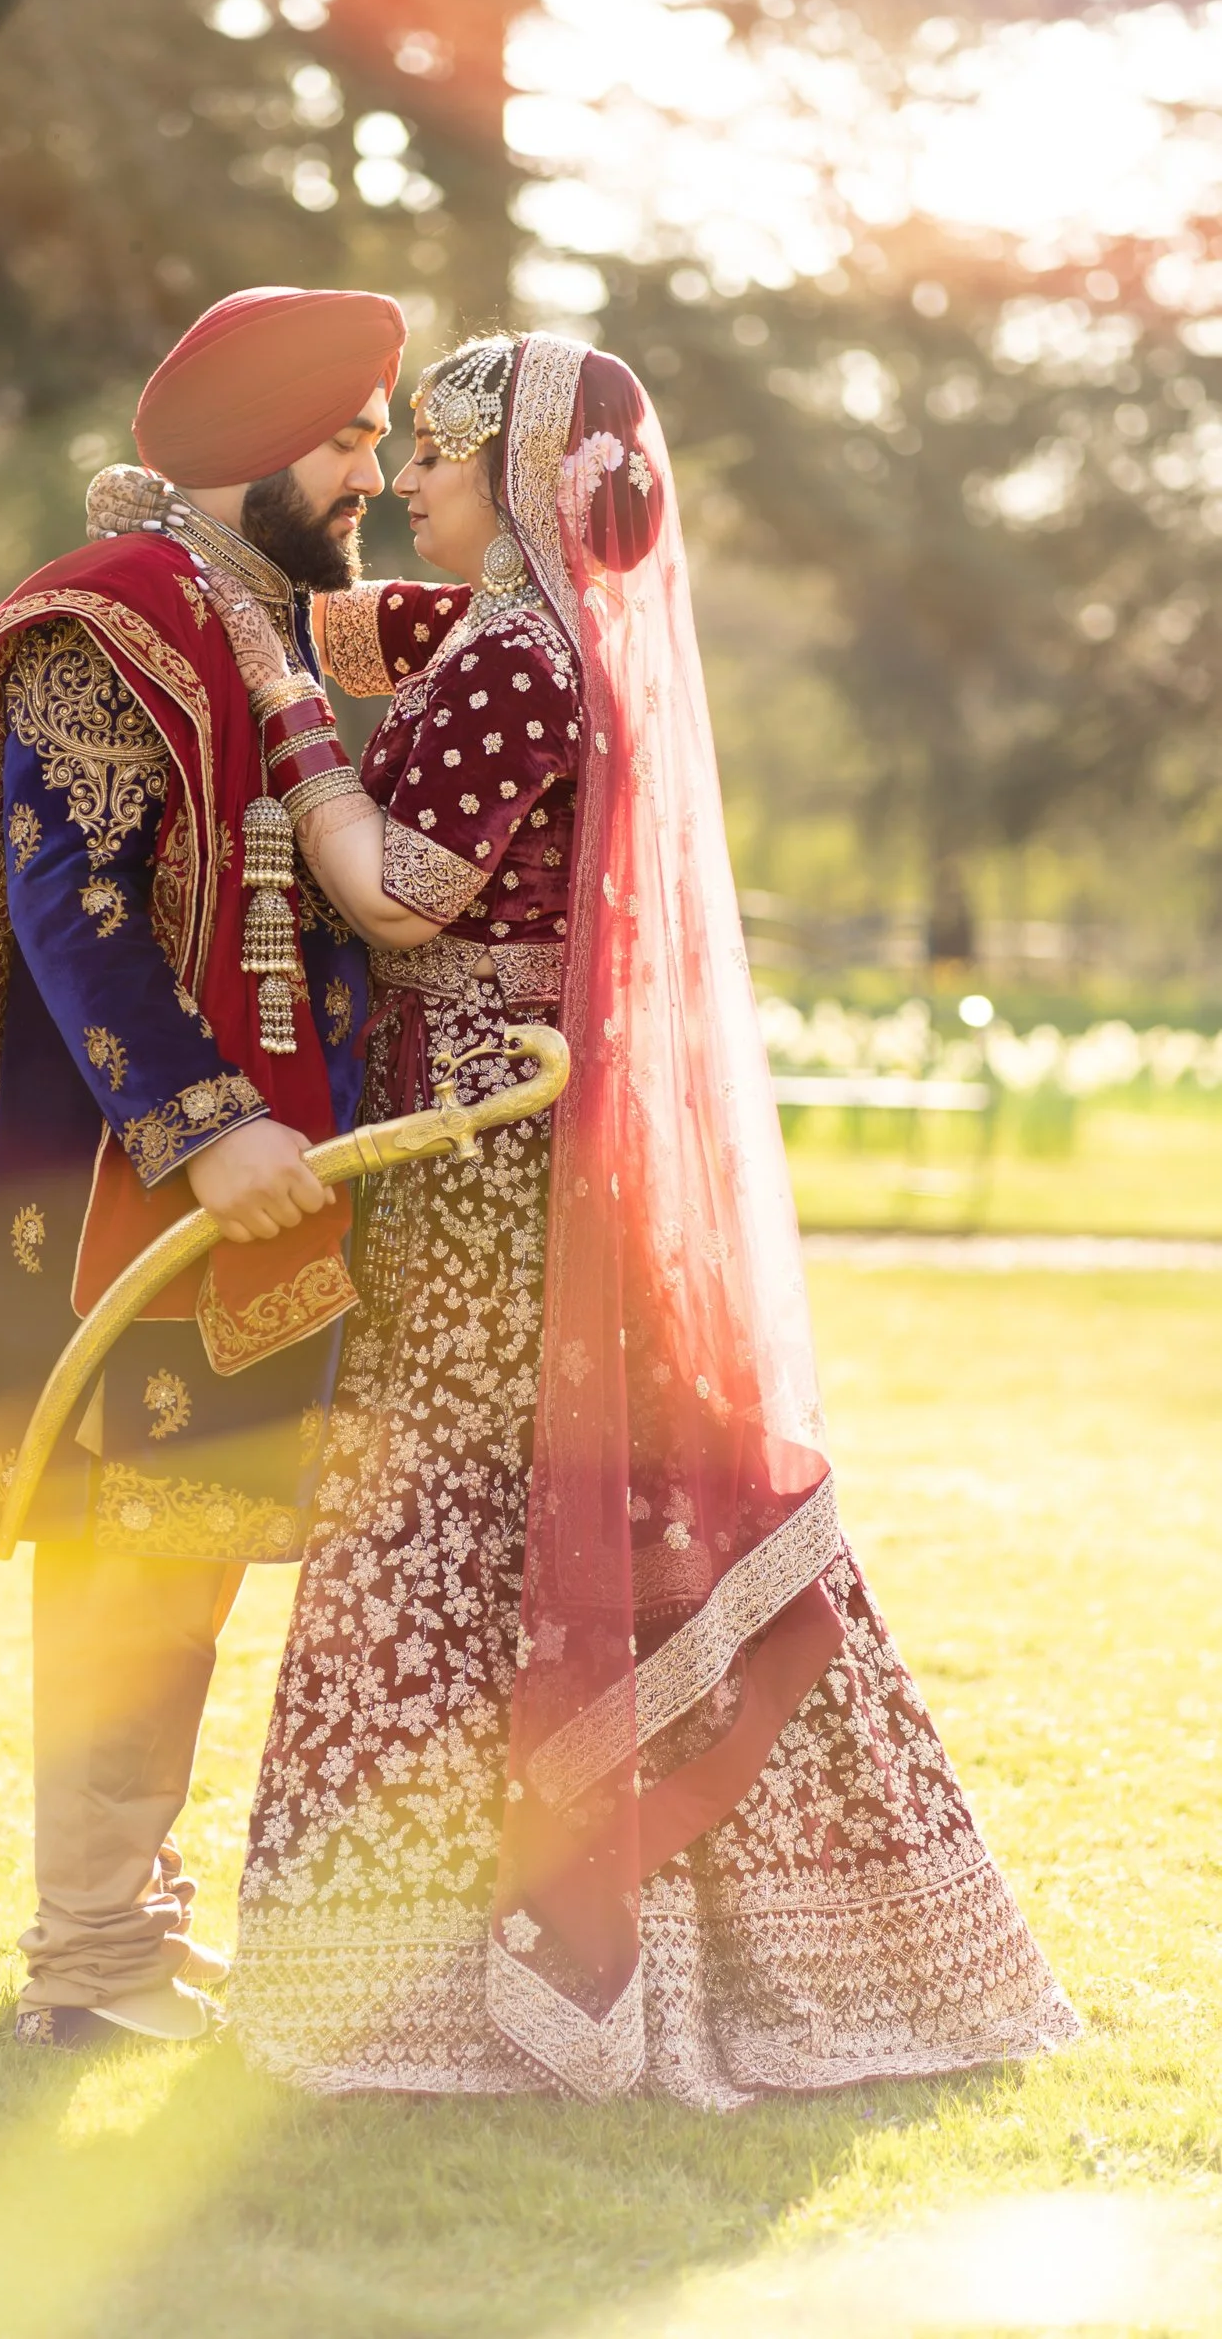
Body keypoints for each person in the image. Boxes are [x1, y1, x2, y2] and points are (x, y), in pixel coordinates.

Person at [221, 331, 1082, 2102]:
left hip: (477, 1156)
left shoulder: (516, 663)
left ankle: (440, 1984)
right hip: (524, 1146)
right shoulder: (541, 634)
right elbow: (338, 615)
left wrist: (299, 739)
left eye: (445, 455)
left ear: (525, 477)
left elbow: (401, 893)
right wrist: (211, 560)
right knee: (553, 1514)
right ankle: (777, 1932)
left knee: (452, 1521)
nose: (415, 483)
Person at [0, 285, 405, 2048]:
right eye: (351, 434)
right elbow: (79, 918)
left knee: (189, 1542)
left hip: (255, 1163)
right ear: (250, 446)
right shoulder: (108, 627)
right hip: (147, 1173)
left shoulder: (252, 617)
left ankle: (123, 1924)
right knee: (125, 1553)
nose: (369, 467)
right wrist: (207, 1130)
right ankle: (83, 1957)